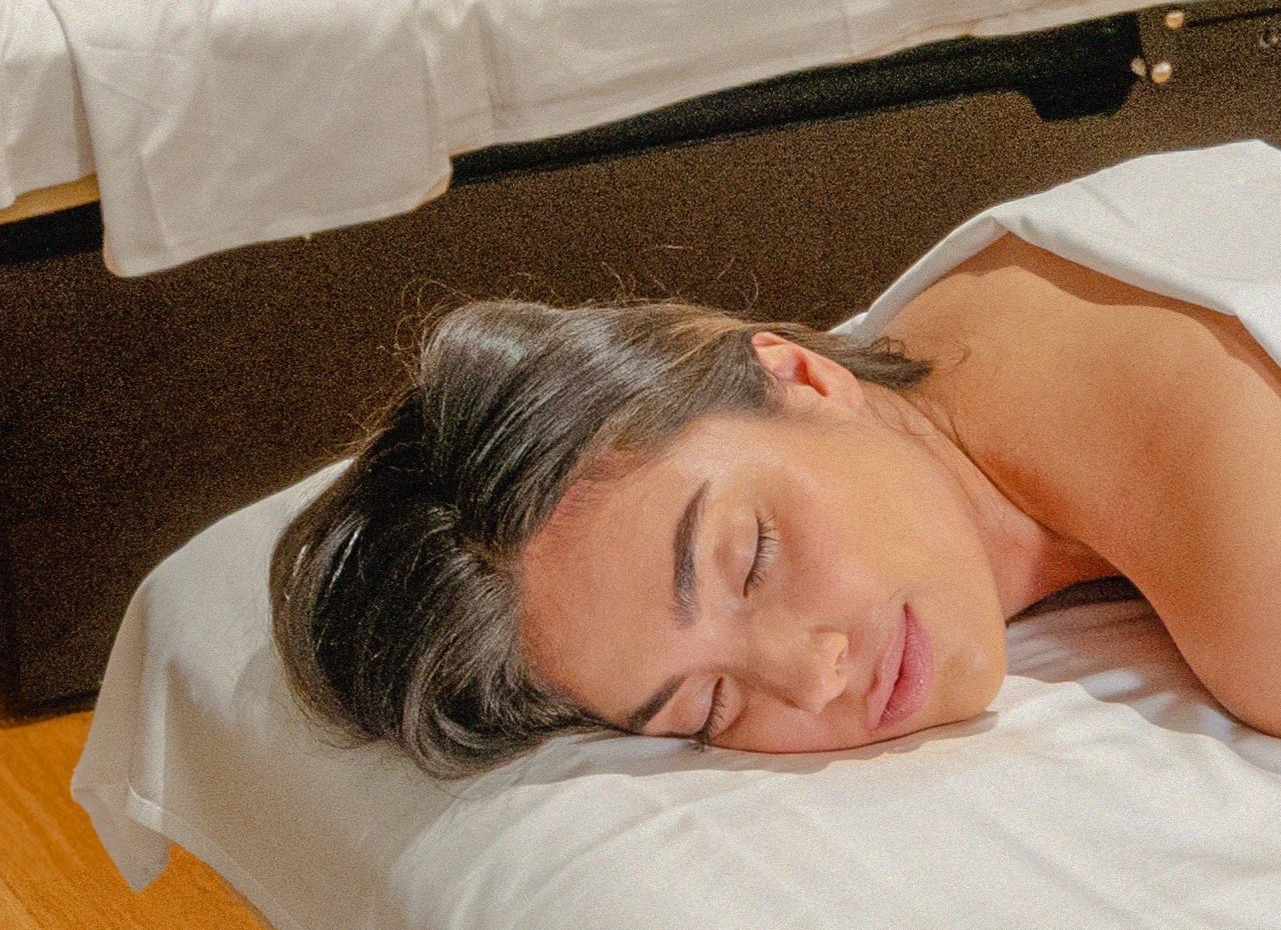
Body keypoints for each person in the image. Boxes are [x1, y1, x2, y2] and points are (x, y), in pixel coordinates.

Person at [270, 199, 1281, 778]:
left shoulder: (1251, 574)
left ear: (799, 375)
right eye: (707, 706)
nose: (810, 676)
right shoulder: (943, 335)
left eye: (750, 560)